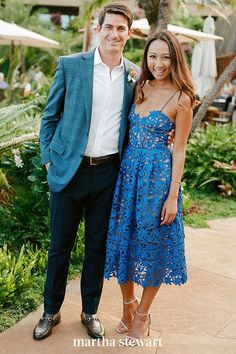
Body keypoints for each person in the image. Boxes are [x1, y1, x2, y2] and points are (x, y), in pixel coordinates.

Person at [33, 3, 173, 341]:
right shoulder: (71, 66)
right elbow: (49, 118)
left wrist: (166, 132)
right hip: (70, 170)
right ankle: (50, 311)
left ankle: (90, 311)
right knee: (60, 246)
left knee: (97, 246)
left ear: (129, 34)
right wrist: (50, 161)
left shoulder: (134, 76)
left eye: (121, 29)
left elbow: (147, 112)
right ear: (99, 29)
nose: (114, 33)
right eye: (109, 27)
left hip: (109, 173)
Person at [104, 30, 195, 346]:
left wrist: (173, 195)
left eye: (166, 57)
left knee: (151, 246)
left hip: (157, 179)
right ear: (146, 58)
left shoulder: (182, 98)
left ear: (175, 59)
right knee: (123, 242)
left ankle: (143, 315)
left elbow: (180, 148)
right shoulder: (138, 87)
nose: (159, 63)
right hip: (128, 176)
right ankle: (128, 305)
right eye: (153, 56)